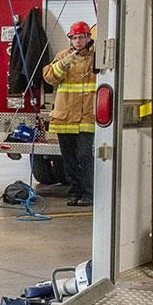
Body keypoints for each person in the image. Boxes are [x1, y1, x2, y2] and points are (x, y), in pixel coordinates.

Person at [42, 21, 96, 206]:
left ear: (89, 38)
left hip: (86, 117)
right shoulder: (63, 56)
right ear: (70, 40)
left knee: (84, 156)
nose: (78, 41)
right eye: (75, 38)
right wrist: (63, 64)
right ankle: (74, 193)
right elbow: (49, 77)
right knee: (69, 159)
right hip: (64, 117)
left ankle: (88, 193)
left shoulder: (96, 57)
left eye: (82, 37)